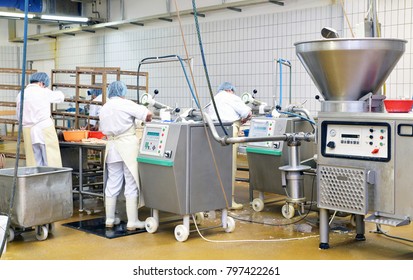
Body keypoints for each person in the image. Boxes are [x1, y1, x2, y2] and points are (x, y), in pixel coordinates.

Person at [99, 81, 153, 230]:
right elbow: (148, 115)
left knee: (113, 182)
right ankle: (133, 221)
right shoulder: (125, 104)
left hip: (111, 147)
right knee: (131, 183)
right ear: (122, 92)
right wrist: (148, 117)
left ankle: (109, 219)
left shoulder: (104, 107)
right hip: (127, 146)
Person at [205, 82, 252, 210]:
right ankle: (228, 201)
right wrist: (244, 120)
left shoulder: (213, 99)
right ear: (230, 90)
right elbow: (248, 113)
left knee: (215, 166)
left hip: (213, 133)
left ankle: (214, 199)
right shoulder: (231, 97)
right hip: (229, 132)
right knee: (229, 165)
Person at [16, 72, 65, 167]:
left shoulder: (20, 94)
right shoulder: (43, 91)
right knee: (50, 160)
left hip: (27, 130)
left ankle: (36, 181)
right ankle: (52, 180)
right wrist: (47, 89)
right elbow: (61, 97)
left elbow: (18, 116)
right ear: (42, 83)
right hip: (45, 128)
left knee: (33, 162)